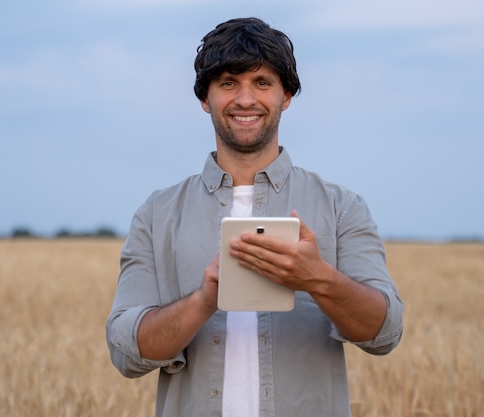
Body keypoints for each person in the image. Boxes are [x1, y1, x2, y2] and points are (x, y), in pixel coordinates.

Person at [106, 17, 404, 417]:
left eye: (262, 82)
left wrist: (317, 278)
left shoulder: (342, 207)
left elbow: (385, 333)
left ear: (287, 96)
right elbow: (126, 352)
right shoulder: (157, 214)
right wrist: (204, 300)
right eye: (228, 82)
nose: (245, 99)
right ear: (204, 98)